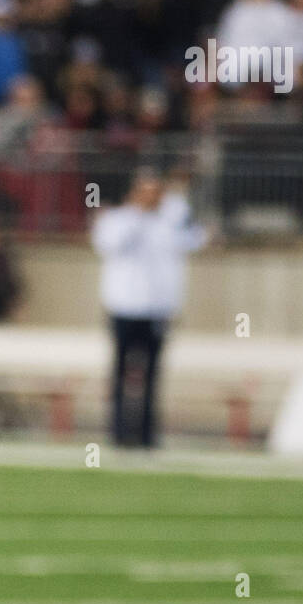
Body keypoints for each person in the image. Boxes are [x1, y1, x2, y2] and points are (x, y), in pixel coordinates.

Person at [91, 168, 207, 448]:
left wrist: (176, 210)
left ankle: (146, 437)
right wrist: (138, 215)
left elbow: (198, 239)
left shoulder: (170, 221)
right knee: (120, 373)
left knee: (153, 376)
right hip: (124, 307)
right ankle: (118, 435)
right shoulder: (117, 219)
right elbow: (109, 244)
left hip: (157, 309)